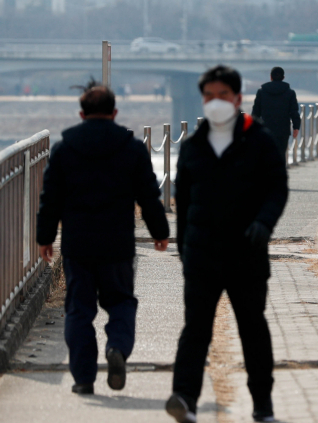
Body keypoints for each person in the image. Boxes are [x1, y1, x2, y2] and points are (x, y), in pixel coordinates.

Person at [167, 66, 288, 423]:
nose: (215, 103)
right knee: (195, 330)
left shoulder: (260, 141)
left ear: (237, 99)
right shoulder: (192, 147)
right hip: (202, 255)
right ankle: (184, 398)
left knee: (252, 327)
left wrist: (264, 223)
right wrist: (183, 249)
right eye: (209, 96)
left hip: (247, 253)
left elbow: (277, 189)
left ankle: (262, 404)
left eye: (222, 96)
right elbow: (183, 202)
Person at [36, 82, 170, 395]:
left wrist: (45, 238)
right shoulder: (132, 147)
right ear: (115, 112)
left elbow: (49, 199)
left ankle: (83, 379)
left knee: (79, 309)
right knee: (121, 301)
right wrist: (160, 232)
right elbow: (149, 195)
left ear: (82, 114)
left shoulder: (65, 147)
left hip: (77, 245)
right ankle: (118, 349)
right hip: (117, 244)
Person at [251, 66, 301, 160]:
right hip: (283, 130)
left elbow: (255, 112)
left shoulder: (261, 92)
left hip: (266, 130)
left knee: (266, 155)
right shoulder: (290, 93)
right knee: (280, 155)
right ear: (283, 77)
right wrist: (296, 127)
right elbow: (294, 111)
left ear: (271, 77)